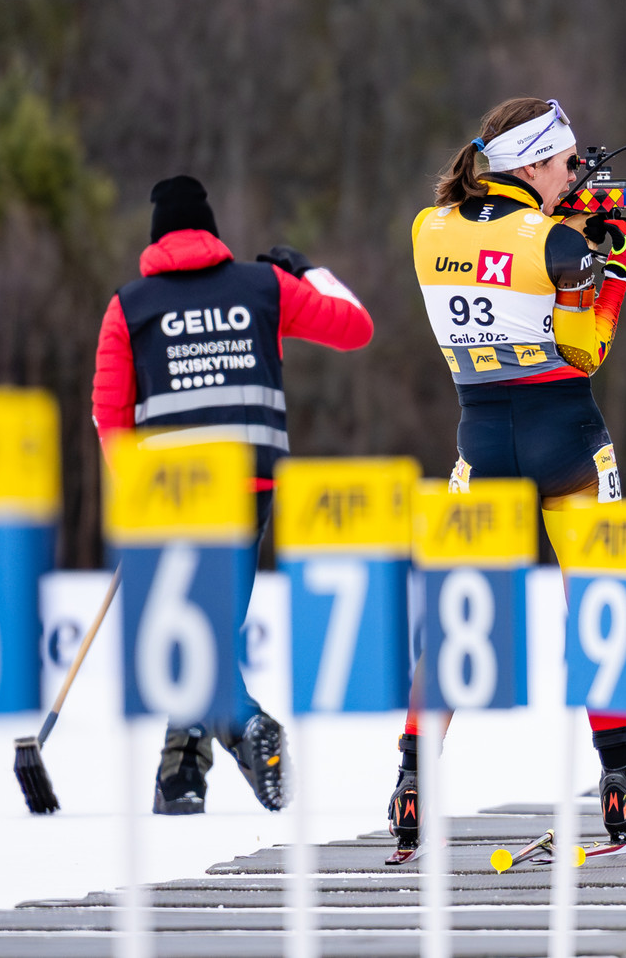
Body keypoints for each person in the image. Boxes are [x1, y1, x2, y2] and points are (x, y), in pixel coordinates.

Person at [390, 96, 626, 856]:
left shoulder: (426, 228)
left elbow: (500, 247)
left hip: (481, 440)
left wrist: (573, 226)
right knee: (602, 609)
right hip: (564, 437)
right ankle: (620, 783)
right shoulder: (554, 243)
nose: (575, 175)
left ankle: (411, 781)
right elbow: (584, 347)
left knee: (453, 617)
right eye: (568, 163)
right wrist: (620, 262)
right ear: (535, 163)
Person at [92, 175, 375, 814]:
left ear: (156, 236)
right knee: (207, 632)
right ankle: (181, 778)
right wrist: (310, 272)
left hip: (170, 494)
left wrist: (134, 495)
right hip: (248, 488)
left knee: (193, 636)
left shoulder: (129, 306)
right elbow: (355, 327)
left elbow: (109, 413)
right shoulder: (264, 287)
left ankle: (242, 730)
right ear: (212, 231)